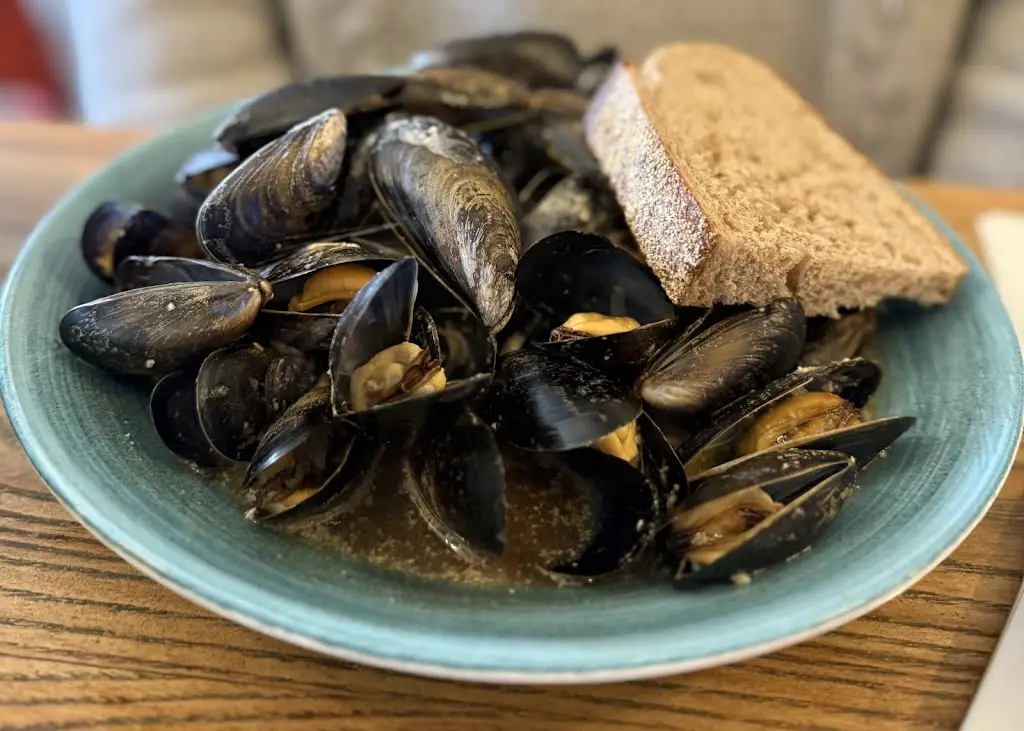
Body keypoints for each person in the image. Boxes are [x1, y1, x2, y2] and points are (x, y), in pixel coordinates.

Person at [32, 0, 1024, 184]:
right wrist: (232, 175)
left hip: (886, 170)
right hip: (338, 130)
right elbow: (163, 36)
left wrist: (976, 214)